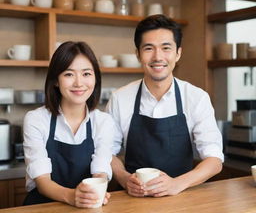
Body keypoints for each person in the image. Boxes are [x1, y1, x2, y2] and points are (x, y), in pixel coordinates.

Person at [106, 15, 224, 197]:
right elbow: (106, 153)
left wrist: (177, 184)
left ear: (178, 53)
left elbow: (214, 160)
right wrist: (124, 178)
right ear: (137, 54)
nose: (158, 57)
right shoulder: (120, 98)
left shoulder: (196, 97)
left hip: (182, 195)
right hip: (133, 198)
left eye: (166, 48)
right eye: (148, 48)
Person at [23, 41, 114, 208]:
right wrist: (72, 196)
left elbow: (100, 172)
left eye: (86, 74)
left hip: (86, 207)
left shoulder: (103, 122)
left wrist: (94, 193)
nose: (79, 83)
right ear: (56, 80)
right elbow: (42, 181)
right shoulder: (36, 119)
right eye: (69, 74)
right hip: (42, 207)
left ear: (95, 78)